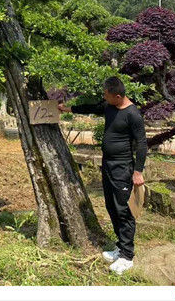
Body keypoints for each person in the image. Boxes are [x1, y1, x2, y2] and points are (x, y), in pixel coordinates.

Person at [58, 76, 147, 275]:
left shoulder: (133, 114)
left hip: (123, 168)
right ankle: (120, 247)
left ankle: (127, 256)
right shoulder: (109, 106)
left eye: (106, 96)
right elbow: (91, 107)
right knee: (111, 206)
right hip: (107, 165)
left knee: (124, 210)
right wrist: (68, 109)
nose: (103, 98)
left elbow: (142, 144)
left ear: (117, 96)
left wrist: (138, 172)